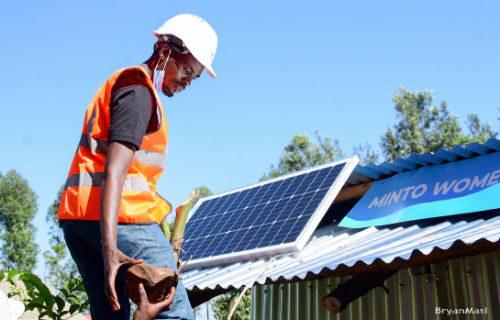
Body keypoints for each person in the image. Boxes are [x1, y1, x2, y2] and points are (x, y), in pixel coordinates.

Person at [58, 14, 218, 320]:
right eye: (186, 70)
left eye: (194, 77)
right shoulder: (138, 91)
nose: (187, 82)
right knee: (176, 312)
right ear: (165, 50)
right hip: (121, 220)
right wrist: (110, 247)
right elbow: (114, 173)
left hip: (78, 221)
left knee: (111, 314)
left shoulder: (124, 84)